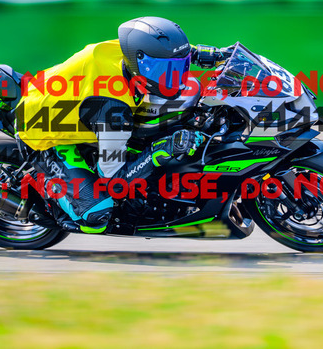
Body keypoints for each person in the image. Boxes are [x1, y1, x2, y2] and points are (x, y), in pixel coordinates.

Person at [16, 16, 223, 233]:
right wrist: (162, 148)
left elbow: (169, 52)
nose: (174, 79)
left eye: (179, 67)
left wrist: (208, 54)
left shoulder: (128, 52)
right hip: (40, 131)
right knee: (97, 216)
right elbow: (114, 179)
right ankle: (43, 184)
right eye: (163, 71)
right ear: (139, 63)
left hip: (58, 98)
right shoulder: (113, 109)